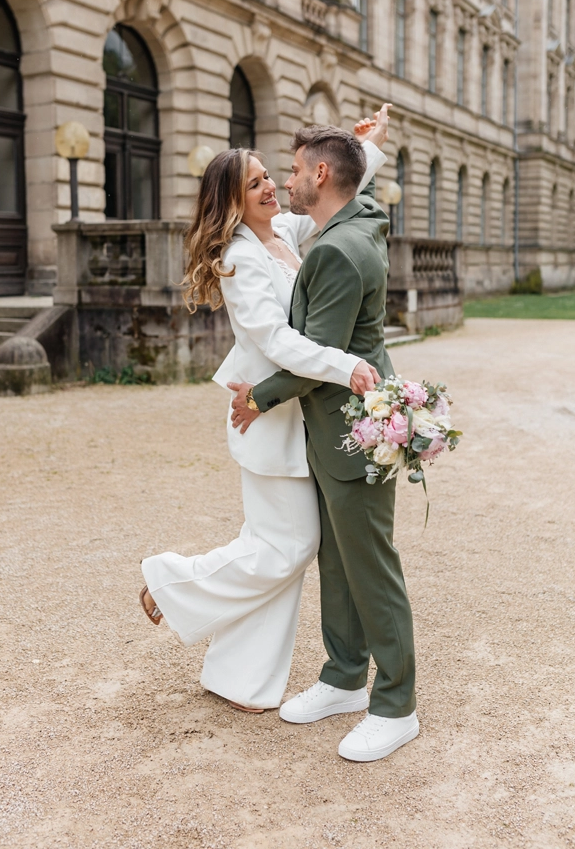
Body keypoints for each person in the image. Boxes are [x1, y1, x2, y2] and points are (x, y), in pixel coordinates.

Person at [138, 110, 390, 713]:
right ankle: (169, 581)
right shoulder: (238, 259)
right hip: (265, 415)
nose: (272, 185)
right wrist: (342, 365)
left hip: (293, 418)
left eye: (269, 176)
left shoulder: (287, 234)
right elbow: (275, 341)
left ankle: (241, 678)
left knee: (283, 551)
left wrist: (364, 149)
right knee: (290, 548)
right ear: (232, 201)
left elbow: (337, 196)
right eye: (255, 184)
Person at [229, 121, 418, 761]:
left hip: (349, 430)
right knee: (337, 560)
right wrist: (368, 145)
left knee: (370, 566)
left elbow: (318, 353)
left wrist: (259, 395)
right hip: (338, 428)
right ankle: (343, 678)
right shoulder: (354, 220)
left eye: (292, 168)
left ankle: (396, 705)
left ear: (319, 176)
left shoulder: (336, 250)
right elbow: (354, 176)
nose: (283, 180)